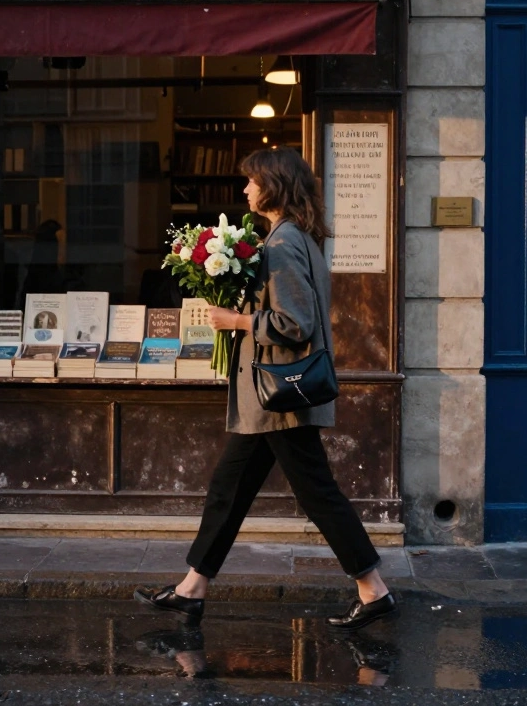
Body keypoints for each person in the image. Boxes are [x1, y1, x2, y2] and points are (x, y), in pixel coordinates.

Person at [134, 148, 395, 631]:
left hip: (280, 398)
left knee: (317, 494)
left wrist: (235, 320)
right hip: (267, 400)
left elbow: (296, 323)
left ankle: (373, 588)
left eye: (252, 181)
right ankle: (192, 589)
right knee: (227, 490)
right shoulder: (290, 238)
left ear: (273, 185)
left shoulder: (283, 244)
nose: (245, 190)